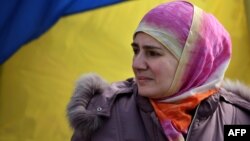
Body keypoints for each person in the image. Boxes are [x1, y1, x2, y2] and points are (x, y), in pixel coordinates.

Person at [67, 0, 250, 141]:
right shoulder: (101, 114)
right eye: (136, 50)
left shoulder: (238, 120)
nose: (137, 64)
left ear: (194, 62)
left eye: (153, 53)